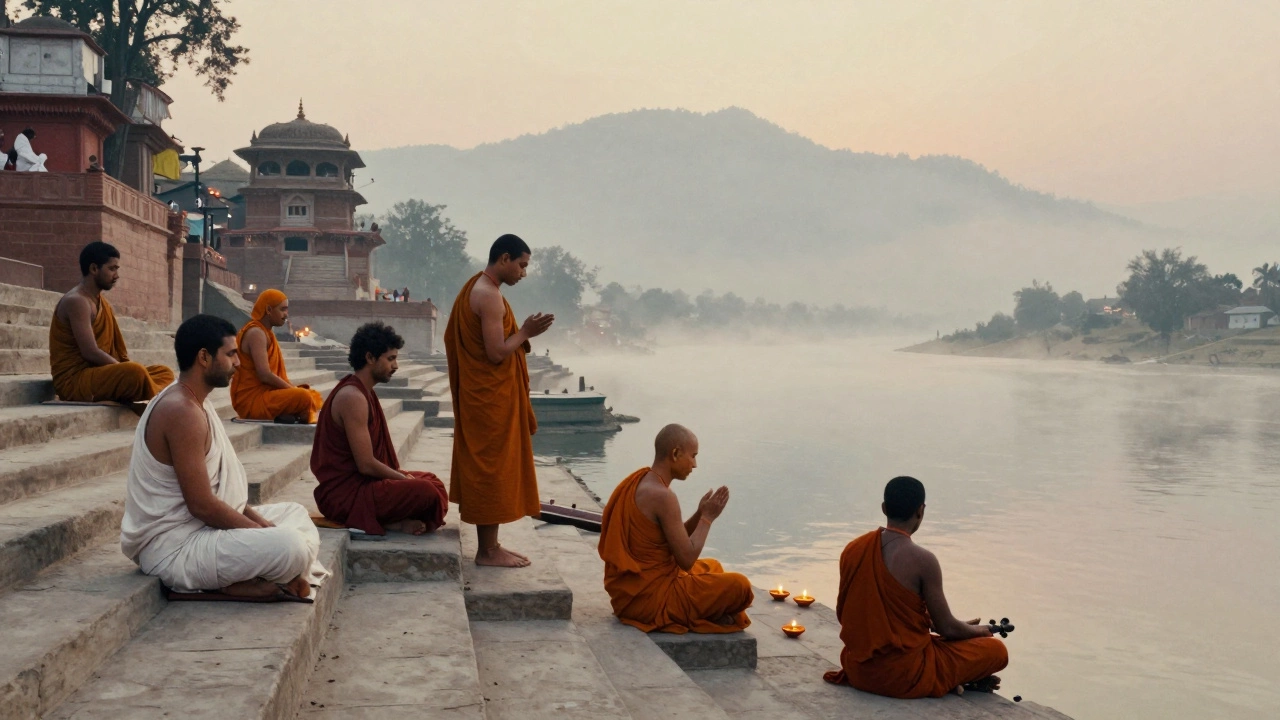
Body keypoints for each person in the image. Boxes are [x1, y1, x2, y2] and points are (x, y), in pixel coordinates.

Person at [120, 315, 329, 598]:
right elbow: (203, 506)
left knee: (294, 514)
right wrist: (261, 533)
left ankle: (260, 578)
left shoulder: (196, 404)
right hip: (174, 547)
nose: (239, 363)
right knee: (290, 546)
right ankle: (237, 586)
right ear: (204, 357)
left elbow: (223, 497)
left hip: (203, 531)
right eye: (231, 354)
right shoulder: (180, 411)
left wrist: (262, 525)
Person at [823, 476, 1008, 698]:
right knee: (996, 650)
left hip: (859, 669)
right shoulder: (924, 560)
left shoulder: (853, 549)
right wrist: (979, 631)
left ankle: (953, 679)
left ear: (884, 508)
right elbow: (947, 628)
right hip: (904, 676)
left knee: (939, 645)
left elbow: (857, 613)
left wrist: (946, 625)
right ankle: (950, 679)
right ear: (921, 511)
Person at [445, 234, 553, 567]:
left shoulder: (477, 288)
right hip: (489, 399)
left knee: (489, 466)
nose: (523, 273)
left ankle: (491, 545)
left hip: (486, 396)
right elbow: (495, 353)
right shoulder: (487, 295)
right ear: (504, 259)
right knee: (490, 467)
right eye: (521, 265)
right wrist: (526, 333)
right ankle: (487, 551)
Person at [597, 424, 753, 633]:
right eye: (693, 456)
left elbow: (671, 539)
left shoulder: (642, 480)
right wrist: (707, 519)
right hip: (650, 601)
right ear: (675, 453)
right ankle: (708, 613)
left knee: (712, 566)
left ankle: (711, 609)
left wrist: (699, 513)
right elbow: (686, 560)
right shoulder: (663, 496)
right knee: (740, 586)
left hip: (629, 593)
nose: (695, 465)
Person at [312, 322, 448, 536]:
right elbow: (366, 465)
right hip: (344, 495)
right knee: (426, 491)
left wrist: (402, 478)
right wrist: (402, 479)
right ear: (370, 357)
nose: (396, 366)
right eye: (391, 359)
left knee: (433, 482)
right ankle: (387, 522)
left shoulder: (364, 392)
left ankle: (389, 519)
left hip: (365, 485)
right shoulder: (352, 397)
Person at [49, 242, 174, 404]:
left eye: (117, 269)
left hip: (98, 373)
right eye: (112, 269)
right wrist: (119, 368)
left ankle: (153, 393)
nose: (116, 275)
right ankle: (160, 399)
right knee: (135, 372)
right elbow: (90, 352)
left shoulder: (100, 301)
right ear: (94, 269)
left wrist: (121, 369)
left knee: (165, 372)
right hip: (75, 381)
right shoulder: (77, 301)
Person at [230, 289, 323, 423]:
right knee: (304, 396)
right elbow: (264, 375)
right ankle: (298, 414)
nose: (286, 315)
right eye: (283, 309)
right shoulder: (256, 333)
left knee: (311, 394)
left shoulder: (266, 332)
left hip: (266, 395)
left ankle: (293, 414)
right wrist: (292, 390)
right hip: (251, 401)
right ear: (268, 309)